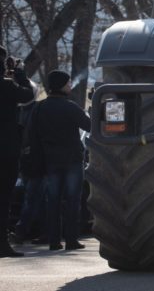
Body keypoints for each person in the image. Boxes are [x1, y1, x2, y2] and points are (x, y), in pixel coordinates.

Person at [34, 70, 91, 251]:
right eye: (67, 83)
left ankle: (53, 240)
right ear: (61, 85)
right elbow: (89, 126)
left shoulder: (40, 108)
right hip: (72, 159)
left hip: (50, 159)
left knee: (52, 201)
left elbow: (32, 134)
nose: (69, 86)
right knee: (73, 200)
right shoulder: (71, 107)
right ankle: (72, 239)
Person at [0, 46, 34, 258]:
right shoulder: (6, 86)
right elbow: (28, 94)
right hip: (6, 150)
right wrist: (20, 74)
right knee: (4, 198)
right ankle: (2, 244)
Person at [13, 81, 47, 246]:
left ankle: (22, 230)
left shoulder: (36, 110)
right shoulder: (21, 110)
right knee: (36, 199)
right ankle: (40, 231)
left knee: (32, 198)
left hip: (34, 161)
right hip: (27, 161)